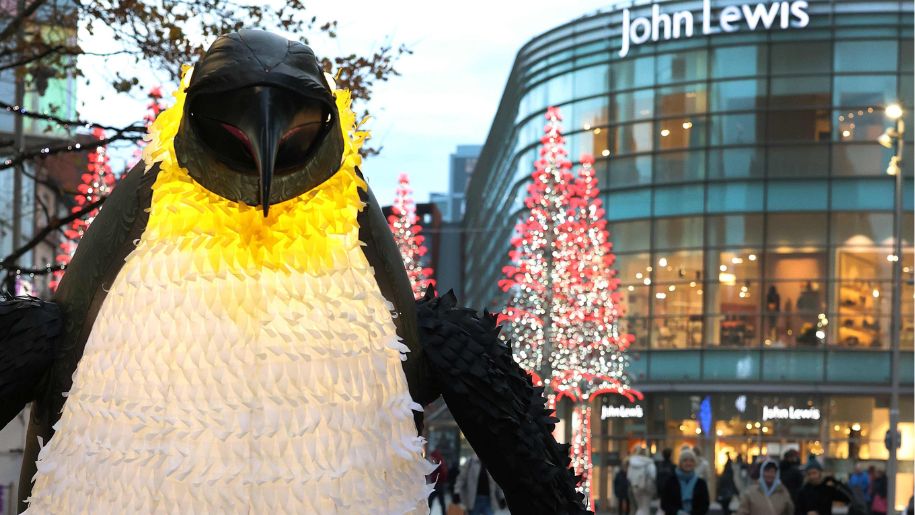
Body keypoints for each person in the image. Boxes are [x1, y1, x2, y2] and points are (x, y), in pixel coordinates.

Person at [661, 448, 710, 515]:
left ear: (694, 463)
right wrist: (678, 512)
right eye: (685, 460)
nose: (688, 463)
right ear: (680, 463)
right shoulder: (671, 481)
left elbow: (705, 505)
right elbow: (664, 503)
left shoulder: (700, 483)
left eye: (691, 461)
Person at [628, 446, 657, 515]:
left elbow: (628, 476)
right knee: (645, 507)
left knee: (640, 507)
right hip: (647, 488)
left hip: (635, 487)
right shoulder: (649, 463)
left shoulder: (632, 463)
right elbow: (653, 475)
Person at [427, 449, 449, 515]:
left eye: (432, 458)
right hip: (438, 485)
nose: (431, 459)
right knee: (441, 502)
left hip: (437, 485)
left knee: (431, 502)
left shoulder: (439, 464)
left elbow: (443, 475)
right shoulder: (439, 463)